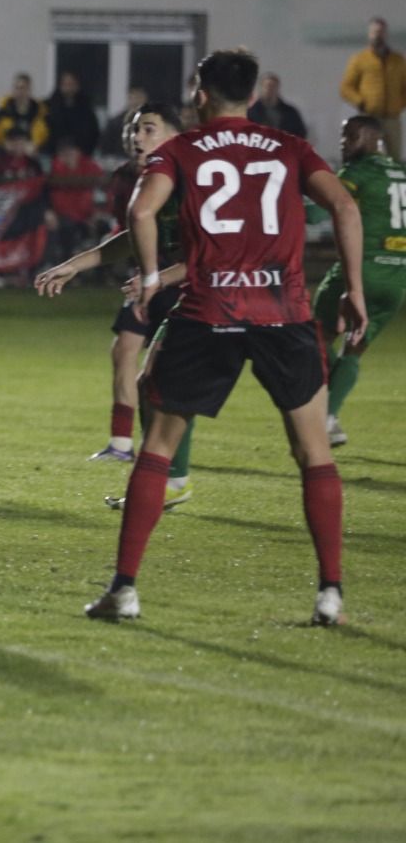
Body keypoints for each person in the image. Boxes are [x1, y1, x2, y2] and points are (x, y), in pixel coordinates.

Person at [85, 49, 366, 626]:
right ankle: (330, 593)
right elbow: (342, 204)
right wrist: (354, 288)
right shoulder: (288, 146)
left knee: (159, 444)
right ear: (255, 96)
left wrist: (144, 280)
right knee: (312, 451)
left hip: (208, 309)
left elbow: (142, 212)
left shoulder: (181, 150)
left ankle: (126, 589)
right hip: (282, 312)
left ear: (199, 94)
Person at [35, 105, 196, 508]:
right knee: (155, 382)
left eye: (148, 129)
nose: (137, 138)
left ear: (174, 136)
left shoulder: (192, 179)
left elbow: (213, 254)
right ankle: (166, 476)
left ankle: (167, 479)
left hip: (221, 291)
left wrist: (153, 278)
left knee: (164, 384)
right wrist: (74, 265)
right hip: (172, 287)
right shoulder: (146, 177)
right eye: (134, 130)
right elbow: (130, 236)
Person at [311, 115, 406, 447]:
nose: (343, 142)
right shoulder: (403, 173)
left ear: (372, 138)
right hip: (396, 279)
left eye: (350, 136)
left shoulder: (357, 173)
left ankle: (323, 417)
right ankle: (330, 419)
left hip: (358, 272)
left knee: (316, 336)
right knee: (355, 347)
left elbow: (318, 213)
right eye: (342, 136)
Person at [340, 17, 406, 160]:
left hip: (392, 118)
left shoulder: (398, 60)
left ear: (386, 34)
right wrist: (360, 101)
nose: (378, 35)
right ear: (369, 34)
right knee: (369, 156)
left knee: (394, 158)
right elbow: (346, 87)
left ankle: (394, 182)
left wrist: (399, 105)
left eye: (381, 32)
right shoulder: (360, 59)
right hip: (370, 118)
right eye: (375, 32)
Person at [44, 137, 105, 267]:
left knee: (105, 229)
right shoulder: (55, 168)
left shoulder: (89, 166)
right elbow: (45, 194)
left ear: (78, 152)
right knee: (65, 229)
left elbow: (102, 190)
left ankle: (104, 274)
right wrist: (48, 212)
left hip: (87, 215)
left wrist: (96, 213)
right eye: (64, 152)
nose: (68, 155)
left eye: (71, 151)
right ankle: (58, 266)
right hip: (63, 216)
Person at [0, 73, 50, 155]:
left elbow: (51, 139)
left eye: (23, 88)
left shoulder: (41, 113)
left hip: (34, 158)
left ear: (30, 90)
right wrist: (3, 150)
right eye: (16, 88)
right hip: (6, 158)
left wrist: (37, 149)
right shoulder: (1, 113)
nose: (19, 91)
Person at [44, 71, 101, 157]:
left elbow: (93, 134)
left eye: (71, 84)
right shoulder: (50, 107)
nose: (69, 88)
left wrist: (80, 152)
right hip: (54, 155)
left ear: (77, 86)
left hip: (81, 156)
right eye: (66, 84)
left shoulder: (86, 108)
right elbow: (46, 133)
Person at [247, 73, 308, 140]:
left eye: (273, 86)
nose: (269, 89)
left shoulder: (290, 112)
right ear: (261, 87)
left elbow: (300, 134)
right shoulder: (251, 112)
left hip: (283, 148)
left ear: (278, 88)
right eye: (267, 86)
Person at [98, 87, 148, 159]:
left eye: (139, 98)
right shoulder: (115, 123)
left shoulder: (153, 124)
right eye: (133, 98)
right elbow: (105, 149)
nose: (135, 101)